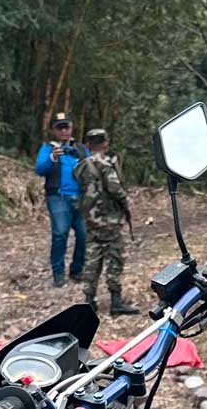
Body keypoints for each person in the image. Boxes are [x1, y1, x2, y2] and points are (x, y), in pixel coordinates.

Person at [73, 129, 138, 316]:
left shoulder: (81, 166)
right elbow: (115, 189)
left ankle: (88, 300)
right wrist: (127, 205)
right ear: (105, 143)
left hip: (91, 220)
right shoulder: (105, 164)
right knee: (115, 259)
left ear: (88, 144)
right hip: (109, 220)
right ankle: (116, 301)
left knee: (92, 259)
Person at [35, 112, 88, 287]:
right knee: (60, 234)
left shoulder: (80, 149)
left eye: (67, 127)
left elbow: (91, 170)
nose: (64, 131)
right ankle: (58, 273)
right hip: (58, 198)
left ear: (72, 128)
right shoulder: (48, 148)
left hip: (80, 197)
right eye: (60, 127)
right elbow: (40, 169)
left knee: (84, 235)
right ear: (54, 130)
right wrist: (52, 158)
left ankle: (77, 270)